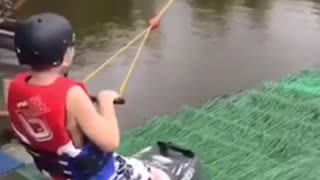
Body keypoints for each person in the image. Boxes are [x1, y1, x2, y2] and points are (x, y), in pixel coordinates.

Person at [6, 12, 162, 180]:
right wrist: (106, 101)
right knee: (159, 176)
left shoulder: (14, 87)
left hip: (58, 173)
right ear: (64, 56)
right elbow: (110, 142)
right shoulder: (72, 94)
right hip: (94, 175)